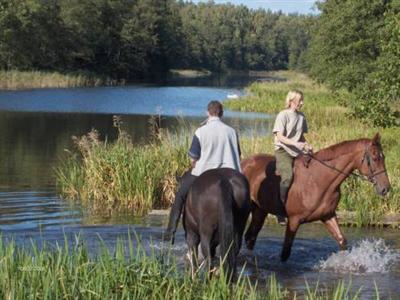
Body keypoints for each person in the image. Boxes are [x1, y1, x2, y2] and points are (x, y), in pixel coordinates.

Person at [163, 100, 242, 243]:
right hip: (231, 173)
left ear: (207, 113)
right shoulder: (232, 132)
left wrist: (193, 164)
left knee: (180, 195)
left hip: (203, 172)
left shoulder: (200, 131)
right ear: (222, 113)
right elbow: (239, 154)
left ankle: (170, 232)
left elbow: (193, 158)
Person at [272, 90, 312, 224]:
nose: (302, 103)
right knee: (288, 176)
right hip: (283, 150)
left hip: (297, 151)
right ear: (291, 101)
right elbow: (279, 136)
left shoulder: (302, 117)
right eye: (299, 100)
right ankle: (279, 209)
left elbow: (301, 136)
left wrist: (307, 145)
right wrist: (296, 143)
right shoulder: (282, 115)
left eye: (302, 100)